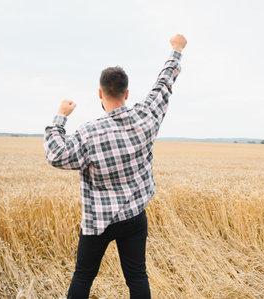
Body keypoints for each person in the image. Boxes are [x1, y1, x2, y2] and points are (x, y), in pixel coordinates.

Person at [44, 33, 187, 299]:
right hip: (134, 216)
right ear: (127, 93)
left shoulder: (89, 133)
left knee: (83, 276)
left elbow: (56, 154)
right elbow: (164, 84)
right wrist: (177, 49)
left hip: (98, 221)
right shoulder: (145, 116)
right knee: (137, 277)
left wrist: (60, 117)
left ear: (100, 93)